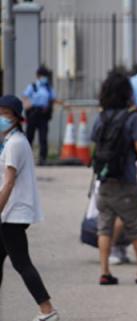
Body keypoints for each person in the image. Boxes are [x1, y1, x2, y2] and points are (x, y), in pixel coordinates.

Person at [91, 71, 137, 285]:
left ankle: (104, 272)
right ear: (127, 93)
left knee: (104, 227)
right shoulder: (132, 118)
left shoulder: (101, 117)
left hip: (103, 181)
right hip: (126, 181)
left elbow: (94, 142)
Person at [0, 95, 60, 321]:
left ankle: (47, 310)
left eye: (6, 113)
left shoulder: (15, 143)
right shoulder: (9, 140)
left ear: (17, 118)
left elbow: (9, 181)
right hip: (10, 211)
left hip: (13, 213)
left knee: (21, 262)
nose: (1, 117)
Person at [22, 66, 63, 166]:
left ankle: (42, 158)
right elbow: (25, 97)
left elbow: (53, 99)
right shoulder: (33, 86)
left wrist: (62, 103)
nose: (44, 78)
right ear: (38, 76)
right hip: (33, 114)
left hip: (43, 115)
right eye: (42, 76)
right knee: (29, 137)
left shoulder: (48, 88)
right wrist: (28, 105)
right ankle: (26, 158)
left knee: (43, 137)